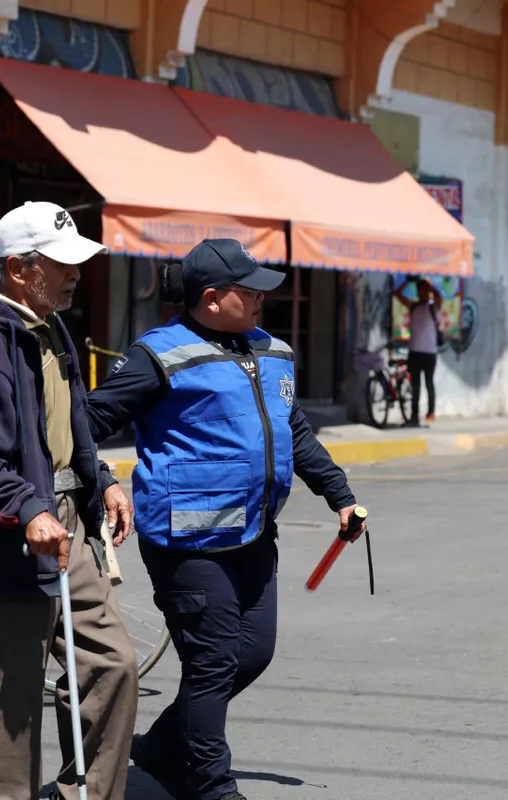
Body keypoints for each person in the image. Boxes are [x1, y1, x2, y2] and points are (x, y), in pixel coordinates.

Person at [86, 238, 366, 800]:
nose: (263, 298)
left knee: (252, 654)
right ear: (212, 299)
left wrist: (338, 493)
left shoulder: (272, 350)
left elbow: (296, 433)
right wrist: (102, 479)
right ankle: (212, 786)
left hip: (255, 533)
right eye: (250, 289)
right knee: (213, 661)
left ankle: (164, 748)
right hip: (186, 542)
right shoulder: (158, 356)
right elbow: (86, 422)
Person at [0, 201, 138, 800]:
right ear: (20, 269)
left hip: (66, 521)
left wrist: (101, 477)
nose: (77, 274)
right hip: (16, 537)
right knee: (12, 704)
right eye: (62, 264)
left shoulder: (49, 327)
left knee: (115, 665)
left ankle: (83, 793)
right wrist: (29, 511)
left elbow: (64, 427)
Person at [395, 276, 443, 426]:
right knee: (415, 386)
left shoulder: (433, 307)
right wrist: (408, 282)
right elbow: (397, 294)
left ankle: (431, 412)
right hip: (414, 352)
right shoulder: (414, 306)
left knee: (429, 383)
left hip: (429, 353)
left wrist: (429, 283)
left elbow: (439, 296)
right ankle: (414, 416)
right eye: (420, 290)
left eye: (424, 290)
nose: (422, 293)